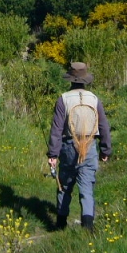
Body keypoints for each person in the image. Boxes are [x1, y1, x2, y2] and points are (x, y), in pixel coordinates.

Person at [47, 61, 112, 232]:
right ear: (85, 79)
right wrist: (106, 149)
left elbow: (57, 129)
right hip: (90, 146)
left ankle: (60, 224)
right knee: (87, 187)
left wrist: (53, 154)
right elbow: (104, 126)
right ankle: (88, 227)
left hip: (69, 146)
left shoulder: (63, 99)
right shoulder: (94, 99)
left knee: (65, 186)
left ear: (71, 79)